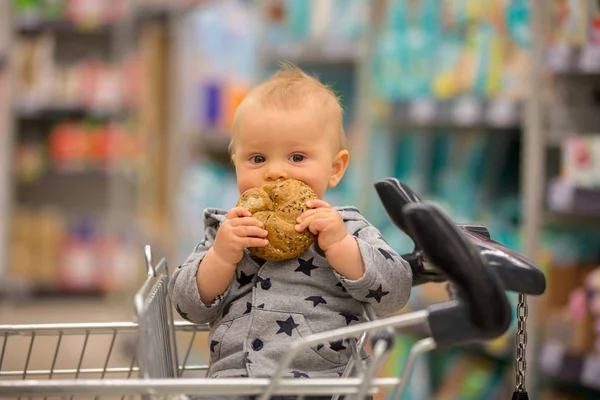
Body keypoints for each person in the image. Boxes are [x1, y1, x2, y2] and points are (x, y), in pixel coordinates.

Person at [168, 64, 413, 382]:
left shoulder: (349, 228)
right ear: (236, 166)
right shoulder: (225, 231)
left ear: (335, 168)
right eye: (257, 158)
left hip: (322, 384)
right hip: (234, 385)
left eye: (297, 157)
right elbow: (187, 307)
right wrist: (220, 257)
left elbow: (396, 294)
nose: (274, 172)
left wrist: (342, 247)